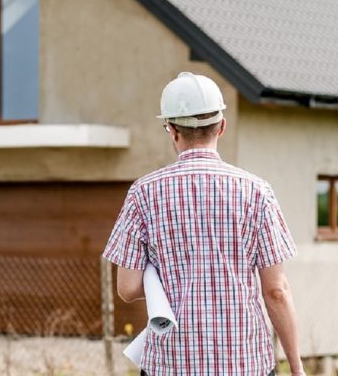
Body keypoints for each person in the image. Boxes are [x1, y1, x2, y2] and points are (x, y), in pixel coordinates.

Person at [102, 72, 305, 376]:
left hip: (171, 366)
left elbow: (128, 288)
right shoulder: (257, 192)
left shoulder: (143, 193)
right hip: (245, 364)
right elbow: (276, 290)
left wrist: (170, 277)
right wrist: (297, 367)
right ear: (222, 126)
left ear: (171, 130)